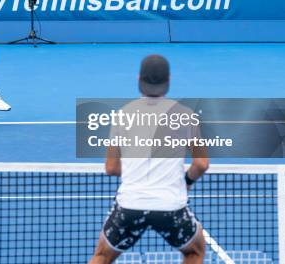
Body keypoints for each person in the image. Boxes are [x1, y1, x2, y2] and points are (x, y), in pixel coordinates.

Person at [88, 54, 210, 264]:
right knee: (195, 252)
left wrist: (137, 166)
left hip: (130, 206)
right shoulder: (186, 115)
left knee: (102, 256)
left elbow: (111, 168)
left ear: (139, 79)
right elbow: (201, 164)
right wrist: (187, 181)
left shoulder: (122, 115)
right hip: (171, 208)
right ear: (168, 80)